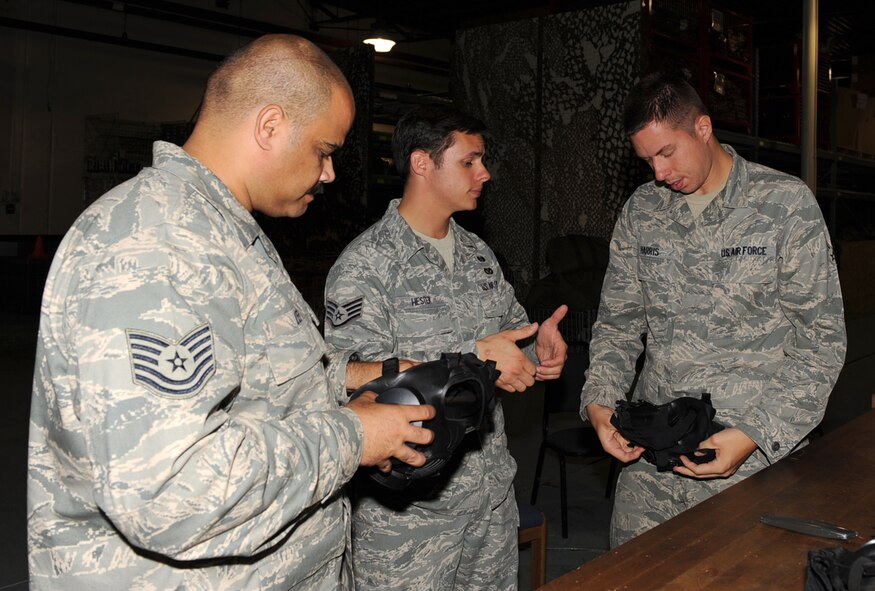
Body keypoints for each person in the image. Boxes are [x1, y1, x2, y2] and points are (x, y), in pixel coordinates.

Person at [27, 34, 436, 590]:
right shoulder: (158, 245)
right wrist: (352, 437)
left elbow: (259, 383)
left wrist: (370, 383)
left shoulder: (217, 230)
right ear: (270, 126)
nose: (329, 174)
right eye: (324, 151)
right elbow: (171, 493)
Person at [582, 70, 847, 547]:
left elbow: (822, 345)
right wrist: (599, 403)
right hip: (654, 462)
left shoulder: (783, 204)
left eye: (667, 152)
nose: (659, 173)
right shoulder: (643, 211)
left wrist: (751, 435)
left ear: (702, 128)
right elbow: (618, 327)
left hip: (754, 460)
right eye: (647, 160)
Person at [323, 104, 568, 590]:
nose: (485, 173)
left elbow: (510, 339)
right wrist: (473, 356)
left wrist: (541, 350)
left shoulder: (478, 254)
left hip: (488, 499)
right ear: (422, 163)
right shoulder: (366, 265)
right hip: (410, 517)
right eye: (469, 161)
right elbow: (349, 383)